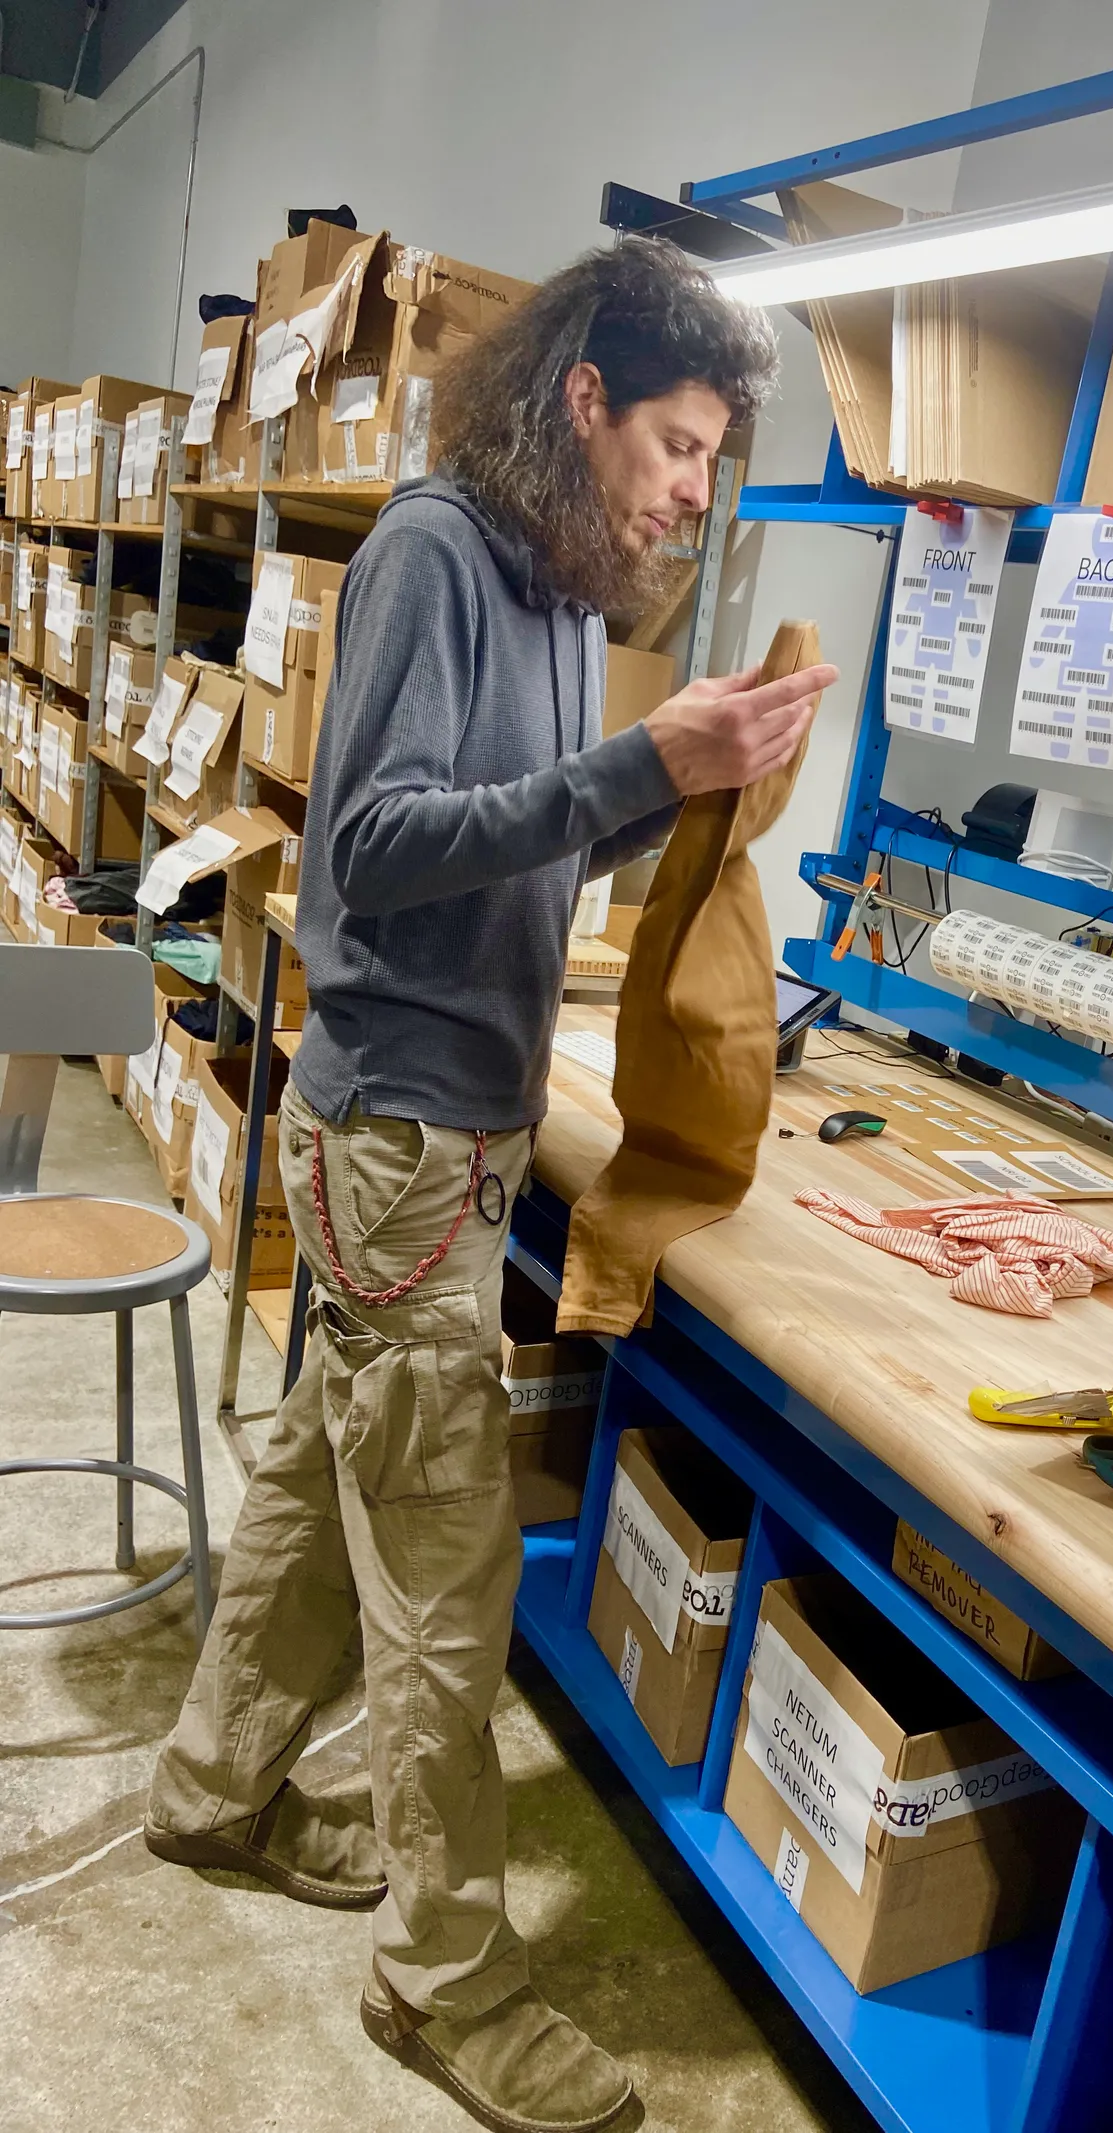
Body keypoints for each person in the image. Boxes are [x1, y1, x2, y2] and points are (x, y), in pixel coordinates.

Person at [144, 236, 837, 2133]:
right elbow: (369, 849)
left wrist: (672, 782)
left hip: (437, 1128)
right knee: (443, 1578)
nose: (695, 490)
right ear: (584, 402)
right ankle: (441, 1981)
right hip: (401, 1143)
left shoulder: (556, 582)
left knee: (314, 1473)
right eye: (679, 445)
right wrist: (639, 759)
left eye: (718, 460)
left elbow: (519, 839)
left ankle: (207, 1790)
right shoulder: (440, 556)